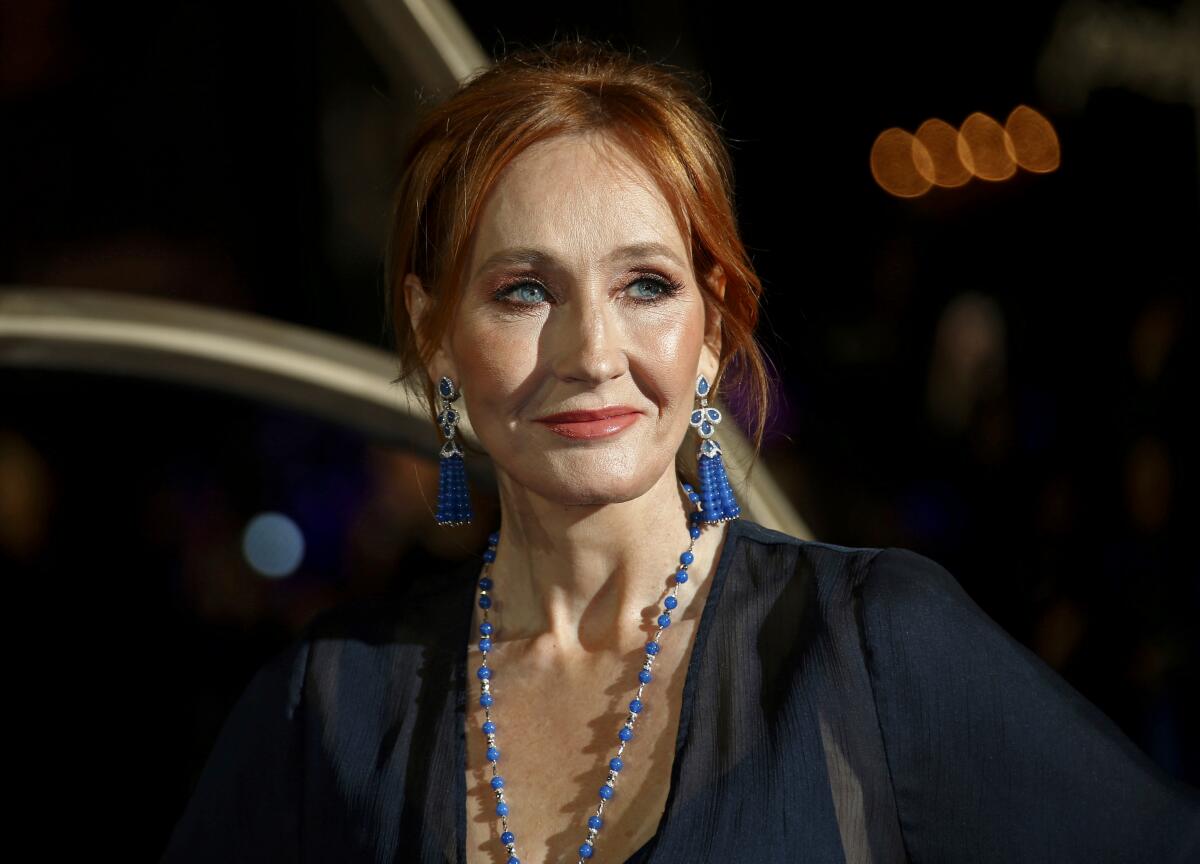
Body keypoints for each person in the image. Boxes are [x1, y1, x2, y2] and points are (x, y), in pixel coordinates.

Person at [161, 38, 1200, 864]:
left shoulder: (873, 649)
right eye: (524, 289)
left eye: (645, 285)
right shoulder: (330, 708)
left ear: (712, 333)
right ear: (436, 338)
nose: (591, 352)